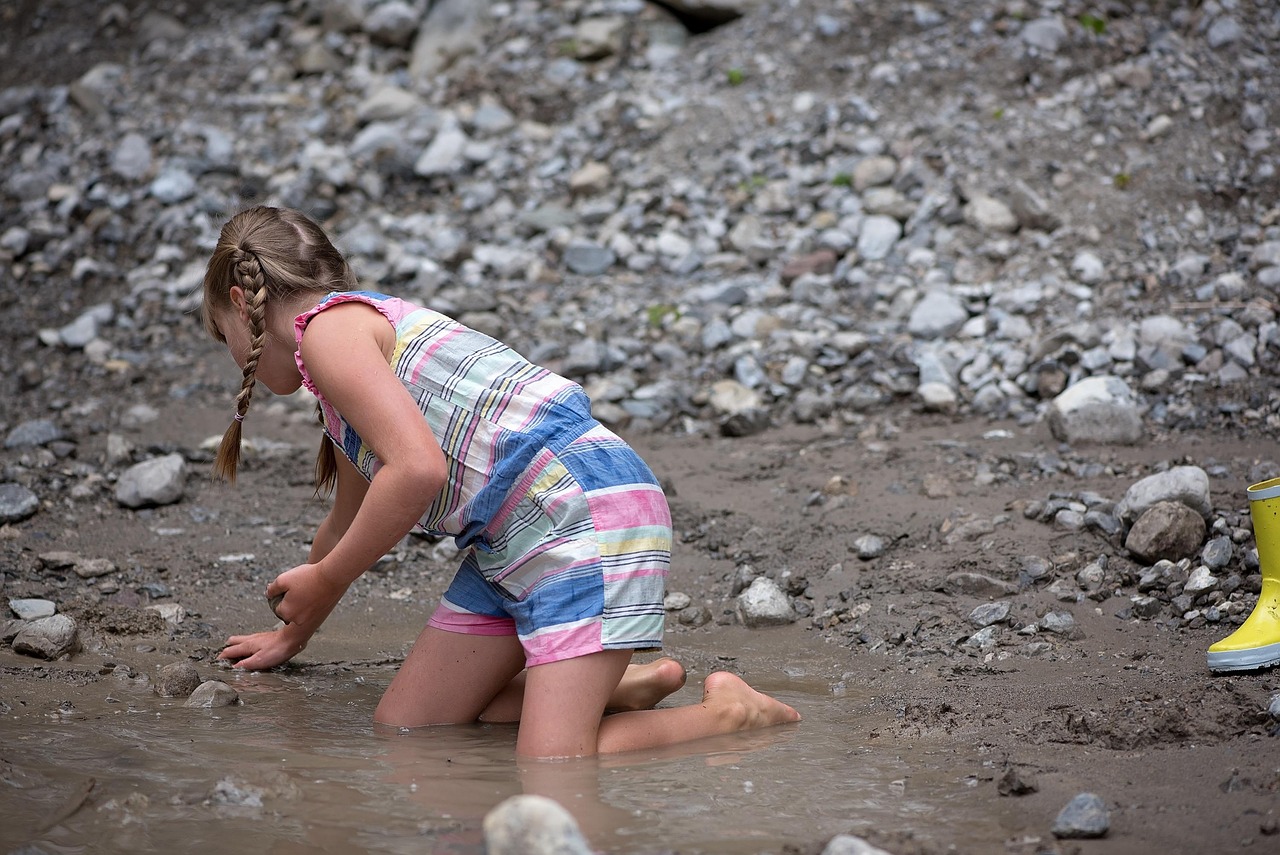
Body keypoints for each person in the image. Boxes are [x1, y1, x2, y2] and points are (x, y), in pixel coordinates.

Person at [203, 205, 800, 758]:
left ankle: (728, 715)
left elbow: (418, 469)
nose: (228, 350)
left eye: (219, 332)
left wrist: (327, 577)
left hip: (578, 515)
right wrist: (295, 632)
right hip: (509, 544)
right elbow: (346, 522)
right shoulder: (341, 373)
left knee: (554, 763)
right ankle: (617, 685)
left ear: (240, 301)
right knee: (411, 724)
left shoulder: (329, 333)